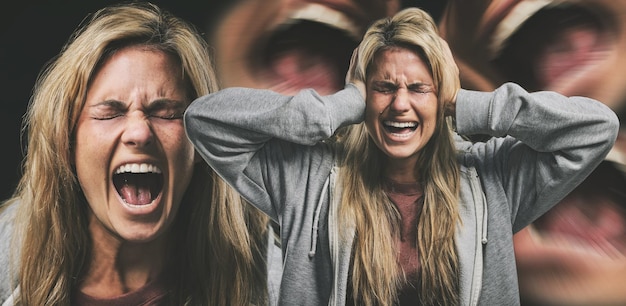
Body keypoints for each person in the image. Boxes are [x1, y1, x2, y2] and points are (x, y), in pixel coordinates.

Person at [184, 6, 619, 306]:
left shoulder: (494, 177)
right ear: (363, 94)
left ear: (442, 95)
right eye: (384, 87)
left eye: (418, 88)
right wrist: (331, 110)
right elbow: (206, 121)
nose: (400, 105)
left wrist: (472, 105)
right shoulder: (308, 178)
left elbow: (596, 130)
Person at [0, 2, 276, 305]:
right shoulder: (8, 251)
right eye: (110, 113)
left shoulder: (267, 269)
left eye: (167, 113)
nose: (140, 133)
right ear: (66, 142)